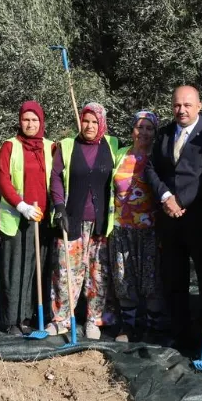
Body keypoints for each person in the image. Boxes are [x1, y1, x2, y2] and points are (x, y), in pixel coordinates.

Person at [145, 86, 202, 346]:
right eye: (177, 105)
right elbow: (150, 168)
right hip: (169, 220)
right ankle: (179, 333)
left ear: (199, 106)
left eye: (187, 105)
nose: (182, 110)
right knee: (174, 277)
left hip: (198, 220)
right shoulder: (166, 133)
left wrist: (183, 200)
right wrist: (166, 197)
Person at [48, 103, 119, 339]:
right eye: (85, 121)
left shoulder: (112, 145)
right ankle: (62, 319)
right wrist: (59, 208)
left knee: (98, 273)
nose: (89, 126)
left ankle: (94, 320)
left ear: (102, 124)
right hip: (72, 220)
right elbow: (56, 177)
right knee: (67, 271)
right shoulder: (67, 145)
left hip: (100, 223)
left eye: (94, 122)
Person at [0, 101, 55, 336]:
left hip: (41, 219)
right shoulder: (10, 146)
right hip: (17, 217)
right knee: (14, 269)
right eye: (25, 119)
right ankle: (12, 320)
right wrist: (21, 205)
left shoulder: (50, 147)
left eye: (34, 120)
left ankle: (28, 316)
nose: (30, 124)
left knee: (34, 269)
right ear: (19, 121)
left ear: (41, 122)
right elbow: (3, 180)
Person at [110, 111, 162, 342]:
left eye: (149, 128)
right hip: (121, 227)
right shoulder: (120, 155)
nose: (143, 132)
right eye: (139, 127)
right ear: (132, 130)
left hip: (151, 229)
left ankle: (152, 327)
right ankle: (128, 326)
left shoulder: (158, 157)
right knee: (124, 278)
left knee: (151, 280)